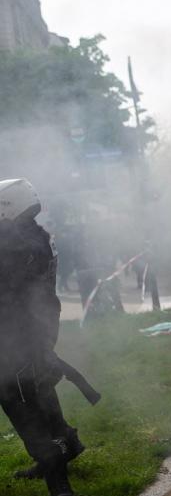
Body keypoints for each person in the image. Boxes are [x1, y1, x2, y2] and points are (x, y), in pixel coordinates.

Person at [0, 179, 82, 496]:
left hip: (16, 335)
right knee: (39, 388)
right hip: (36, 328)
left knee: (19, 402)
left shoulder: (16, 245)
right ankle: (68, 443)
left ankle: (58, 480)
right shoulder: (35, 236)